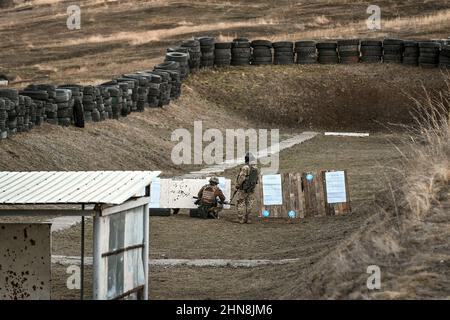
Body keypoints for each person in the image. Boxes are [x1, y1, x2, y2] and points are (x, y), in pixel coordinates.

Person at [235, 152, 259, 224]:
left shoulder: (245, 167)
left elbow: (241, 178)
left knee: (240, 202)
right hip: (251, 188)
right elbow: (256, 179)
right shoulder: (255, 168)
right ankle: (248, 219)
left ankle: (240, 219)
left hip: (243, 189)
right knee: (249, 203)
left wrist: (237, 185)